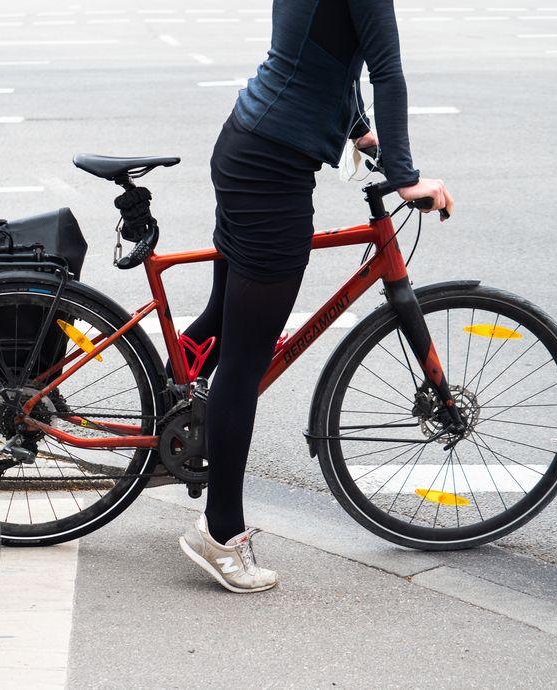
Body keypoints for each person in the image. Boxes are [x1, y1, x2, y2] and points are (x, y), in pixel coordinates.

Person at [177, 0, 454, 594]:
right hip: (271, 171)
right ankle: (221, 532)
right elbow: (387, 72)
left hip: (248, 146)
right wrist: (405, 176)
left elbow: (322, 50)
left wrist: (358, 133)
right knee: (244, 363)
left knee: (223, 325)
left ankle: (168, 426)